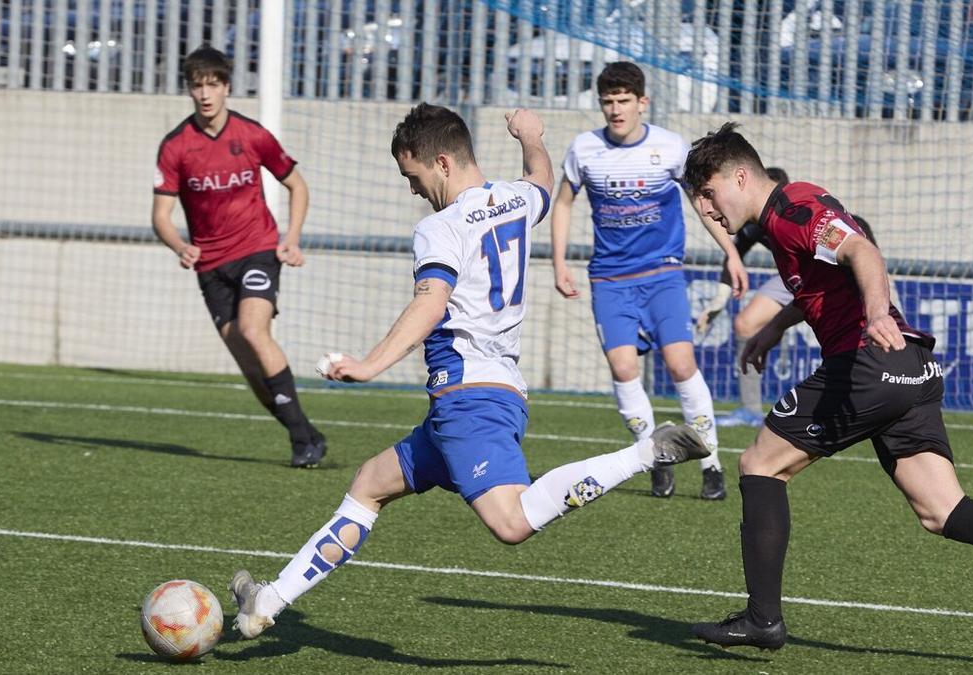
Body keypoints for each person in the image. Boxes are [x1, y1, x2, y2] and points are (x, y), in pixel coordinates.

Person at [228, 104, 711, 638]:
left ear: (440, 161)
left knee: (511, 522)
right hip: (473, 400)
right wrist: (531, 136)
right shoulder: (513, 201)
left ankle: (647, 451)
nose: (412, 189)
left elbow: (431, 303)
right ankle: (267, 601)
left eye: (413, 176)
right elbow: (543, 180)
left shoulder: (440, 226)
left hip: (469, 398)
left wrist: (368, 364)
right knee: (369, 484)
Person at [681, 123, 973, 650]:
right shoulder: (785, 217)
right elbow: (824, 283)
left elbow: (862, 252)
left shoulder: (793, 210)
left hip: (869, 364)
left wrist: (874, 314)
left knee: (759, 464)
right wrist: (776, 326)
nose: (706, 209)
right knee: (942, 509)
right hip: (909, 367)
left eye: (708, 193)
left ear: (742, 175)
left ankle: (762, 620)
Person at [550, 62, 748, 500]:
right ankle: (653, 454)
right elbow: (562, 203)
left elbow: (702, 203)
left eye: (624, 101)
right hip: (609, 279)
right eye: (608, 101)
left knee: (680, 365)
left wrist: (731, 251)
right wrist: (559, 262)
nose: (615, 109)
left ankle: (711, 461)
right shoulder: (584, 150)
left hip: (663, 276)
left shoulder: (670, 148)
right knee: (623, 368)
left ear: (643, 103)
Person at [151, 45, 326, 468]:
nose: (206, 94)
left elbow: (297, 186)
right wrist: (180, 245)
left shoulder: (252, 135)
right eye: (198, 86)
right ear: (190, 91)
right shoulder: (176, 146)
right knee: (250, 368)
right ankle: (305, 432)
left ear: (227, 87)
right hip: (210, 267)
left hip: (257, 250)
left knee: (253, 328)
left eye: (213, 84)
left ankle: (302, 443)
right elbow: (160, 216)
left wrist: (293, 239)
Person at [695, 172, 882, 429]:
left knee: (882, 328)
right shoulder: (752, 225)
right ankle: (749, 411)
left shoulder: (802, 215)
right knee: (745, 324)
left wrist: (879, 311)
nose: (706, 209)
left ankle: (896, 383)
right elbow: (733, 258)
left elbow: (865, 253)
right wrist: (720, 299)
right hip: (795, 276)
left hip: (841, 275)